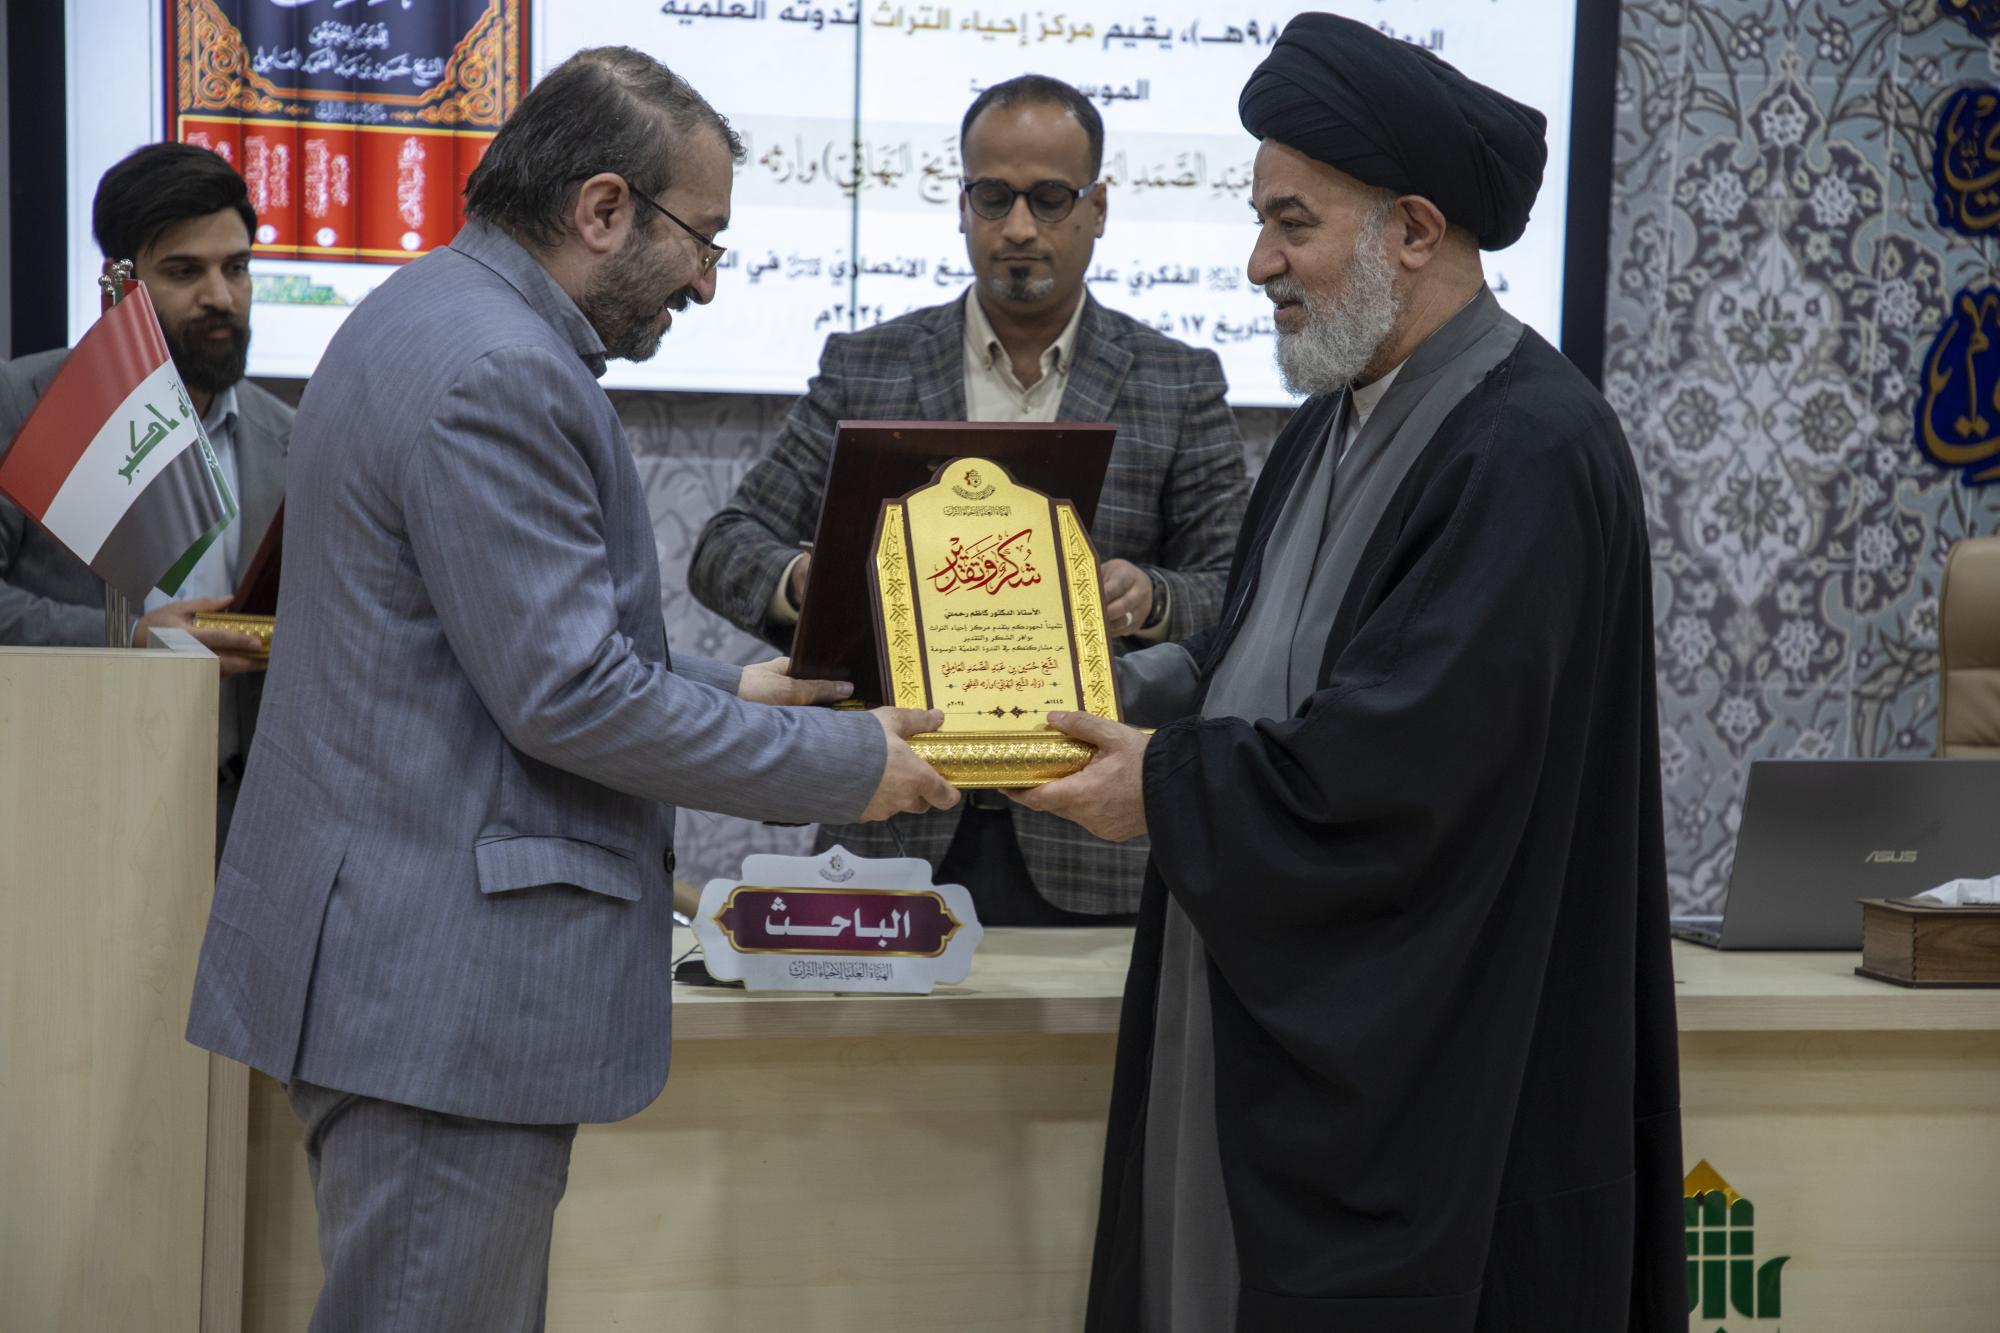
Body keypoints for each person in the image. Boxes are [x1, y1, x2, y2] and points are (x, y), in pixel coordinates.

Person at [185, 47, 956, 1332]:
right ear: (604, 208)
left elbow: (472, 645)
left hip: (399, 971)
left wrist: (743, 689)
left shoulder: (424, 306)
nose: (707, 281)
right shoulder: (505, 369)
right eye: (702, 239)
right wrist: (851, 765)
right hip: (442, 996)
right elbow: (569, 698)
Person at [1014, 16, 1683, 1331]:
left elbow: (1412, 768)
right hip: (1255, 1003)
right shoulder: (1332, 420)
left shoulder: (1531, 448)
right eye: (1261, 222)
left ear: (1413, 230)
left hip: (1436, 1081)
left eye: (1292, 224)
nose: (1259, 262)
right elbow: (1261, 655)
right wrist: (1108, 694)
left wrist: (1166, 787)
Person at [689, 74, 1248, 926]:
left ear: (1098, 208)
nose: (1018, 227)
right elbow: (724, 547)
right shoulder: (867, 366)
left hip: (1093, 838)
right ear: (961, 205)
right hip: (891, 822)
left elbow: (1239, 587)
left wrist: (1152, 597)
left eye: (1050, 199)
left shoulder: (1178, 381)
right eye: (994, 197)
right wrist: (817, 581)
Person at [0, 143, 283, 843]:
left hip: (240, 826)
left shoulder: (293, 439)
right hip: (65, 812)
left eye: (237, 267)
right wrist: (130, 638)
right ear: (118, 284)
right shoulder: (23, 406)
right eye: (185, 272)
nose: (220, 297)